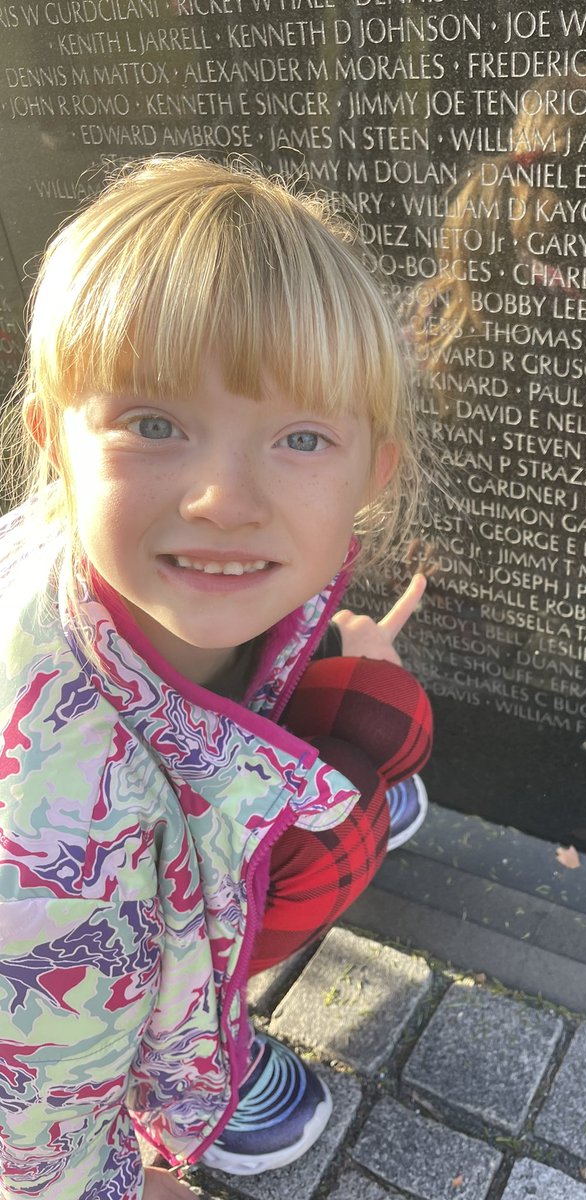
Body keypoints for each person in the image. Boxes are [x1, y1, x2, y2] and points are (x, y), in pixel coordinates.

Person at [0, 156, 433, 1198]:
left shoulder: (169, 569)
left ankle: (211, 1013)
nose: (223, 499)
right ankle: (197, 1062)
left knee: (367, 738)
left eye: (298, 437)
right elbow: (34, 1136)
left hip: (189, 843)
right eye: (155, 425)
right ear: (54, 440)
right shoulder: (46, 850)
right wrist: (133, 1182)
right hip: (99, 961)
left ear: (371, 473)